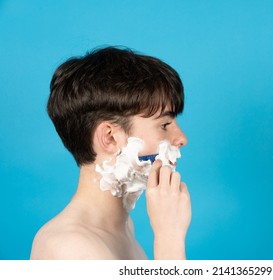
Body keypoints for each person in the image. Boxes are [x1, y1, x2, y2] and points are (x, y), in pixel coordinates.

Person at [30, 46, 191, 260]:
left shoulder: (124, 229)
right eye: (164, 125)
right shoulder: (69, 248)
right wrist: (169, 236)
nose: (182, 139)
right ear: (110, 138)